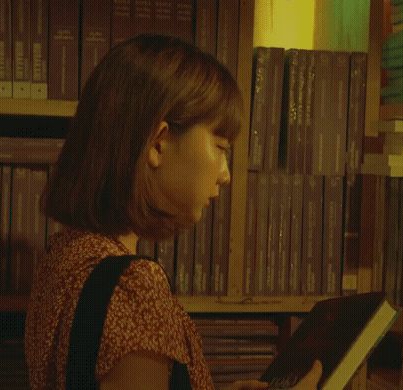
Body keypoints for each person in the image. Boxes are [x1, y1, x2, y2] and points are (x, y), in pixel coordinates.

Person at [24, 34, 322, 390]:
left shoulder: (65, 253)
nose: (225, 175)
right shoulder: (133, 288)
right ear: (158, 142)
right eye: (220, 146)